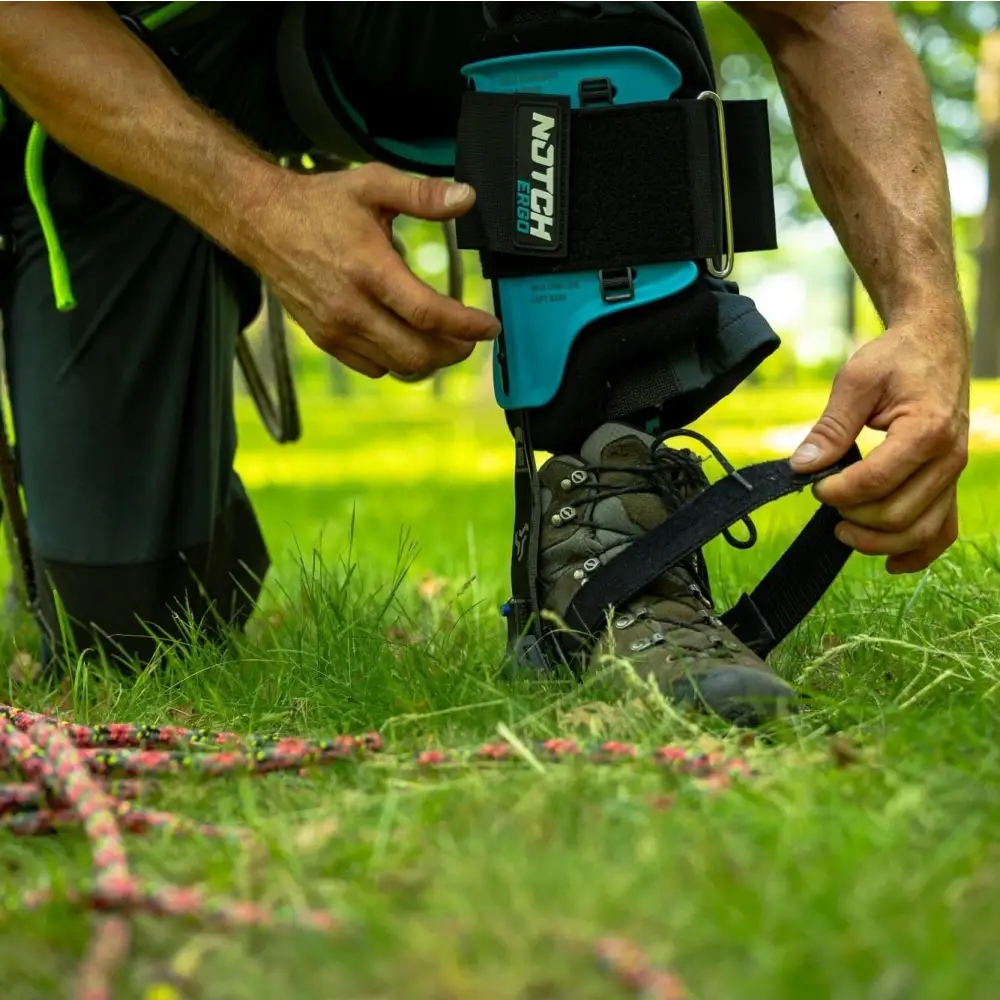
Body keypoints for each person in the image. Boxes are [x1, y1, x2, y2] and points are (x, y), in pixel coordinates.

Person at [0, 0, 969, 723]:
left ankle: (609, 518)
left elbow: (823, 15)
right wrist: (254, 213)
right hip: (123, 54)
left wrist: (926, 320)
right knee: (127, 637)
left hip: (397, 25)